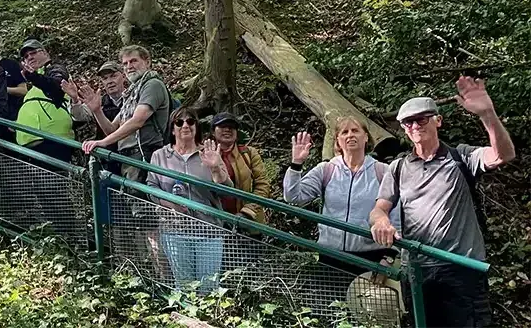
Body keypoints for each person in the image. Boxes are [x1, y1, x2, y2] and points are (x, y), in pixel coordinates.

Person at [370, 77, 515, 328]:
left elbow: (504, 155)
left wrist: (488, 114)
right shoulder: (398, 168)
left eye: (422, 119)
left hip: (461, 268)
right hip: (417, 270)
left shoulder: (461, 156)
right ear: (404, 128)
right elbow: (380, 207)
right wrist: (381, 221)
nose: (415, 126)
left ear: (438, 121)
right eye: (408, 122)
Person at [284, 117, 399, 274]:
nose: (350, 135)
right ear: (338, 141)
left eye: (355, 130)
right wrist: (296, 163)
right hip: (330, 255)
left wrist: (390, 256)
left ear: (366, 137)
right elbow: (293, 196)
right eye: (345, 132)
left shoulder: (383, 172)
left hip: (372, 257)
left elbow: (397, 215)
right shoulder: (326, 170)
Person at [146, 107, 232, 295]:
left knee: (208, 288)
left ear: (196, 126)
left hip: (208, 229)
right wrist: (171, 204)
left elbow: (228, 190)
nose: (185, 125)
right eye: (179, 122)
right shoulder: (159, 156)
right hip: (174, 229)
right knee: (184, 287)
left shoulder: (209, 153)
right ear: (172, 128)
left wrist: (215, 167)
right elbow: (151, 187)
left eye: (190, 121)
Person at [80, 45, 170, 184]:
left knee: (140, 201)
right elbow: (111, 129)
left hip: (145, 154)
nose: (129, 66)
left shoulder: (152, 84)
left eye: (134, 61)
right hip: (129, 157)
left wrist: (103, 142)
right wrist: (97, 110)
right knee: (131, 200)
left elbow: (137, 121)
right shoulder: (132, 92)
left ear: (147, 62)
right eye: (125, 63)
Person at [15, 39, 74, 162]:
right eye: (26, 56)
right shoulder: (32, 79)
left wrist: (34, 77)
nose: (29, 57)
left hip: (53, 140)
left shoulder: (55, 69)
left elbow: (56, 86)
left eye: (33, 53)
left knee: (56, 179)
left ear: (45, 53)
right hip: (30, 142)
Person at [64, 61, 127, 171]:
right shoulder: (98, 101)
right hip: (106, 158)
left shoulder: (133, 98)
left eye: (113, 76)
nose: (110, 81)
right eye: (105, 78)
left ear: (124, 76)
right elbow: (80, 116)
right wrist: (74, 99)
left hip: (129, 155)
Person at [209, 112, 270, 223]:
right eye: (222, 126)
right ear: (213, 131)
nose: (227, 129)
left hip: (248, 221)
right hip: (215, 222)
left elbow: (262, 185)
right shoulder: (205, 155)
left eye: (232, 127)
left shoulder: (248, 153)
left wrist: (247, 211)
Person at [0, 32, 27, 121]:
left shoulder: (12, 65)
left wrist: (2, 89)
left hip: (10, 117)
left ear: (0, 46)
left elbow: (23, 90)